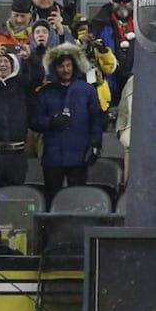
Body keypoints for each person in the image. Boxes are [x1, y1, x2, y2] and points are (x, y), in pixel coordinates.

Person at [31, 42, 105, 202]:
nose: (65, 70)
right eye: (61, 66)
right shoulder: (45, 92)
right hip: (53, 157)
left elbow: (96, 119)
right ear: (53, 68)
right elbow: (35, 120)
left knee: (77, 198)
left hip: (79, 156)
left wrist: (95, 144)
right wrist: (51, 121)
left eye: (68, 65)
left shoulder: (87, 90)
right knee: (52, 198)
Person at [0, 43, 41, 196]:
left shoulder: (21, 84)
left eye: (6, 61)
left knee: (15, 198)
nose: (3, 64)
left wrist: (30, 57)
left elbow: (38, 77)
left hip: (15, 155)